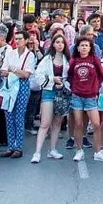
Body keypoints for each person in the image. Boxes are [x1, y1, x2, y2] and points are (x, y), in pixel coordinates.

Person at [32, 31, 70, 161]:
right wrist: (53, 79)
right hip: (48, 92)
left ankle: (52, 149)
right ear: (53, 44)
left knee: (57, 123)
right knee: (45, 123)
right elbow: (38, 75)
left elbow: (70, 77)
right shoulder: (47, 59)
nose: (60, 45)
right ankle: (37, 152)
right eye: (57, 42)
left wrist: (64, 84)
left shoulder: (67, 60)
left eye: (62, 43)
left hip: (62, 93)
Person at [0, 30, 33, 159]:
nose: (17, 41)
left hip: (22, 86)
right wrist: (15, 71)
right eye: (16, 39)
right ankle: (11, 146)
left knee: (19, 115)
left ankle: (18, 147)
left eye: (20, 39)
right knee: (9, 115)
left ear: (26, 40)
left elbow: (26, 74)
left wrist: (13, 70)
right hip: (10, 85)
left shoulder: (30, 55)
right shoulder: (10, 53)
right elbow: (3, 71)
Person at [66, 35, 102, 161]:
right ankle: (79, 150)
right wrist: (73, 88)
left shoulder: (95, 59)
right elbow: (69, 75)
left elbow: (101, 74)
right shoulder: (74, 60)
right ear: (78, 47)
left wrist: (96, 88)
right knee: (78, 124)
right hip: (77, 96)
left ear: (90, 47)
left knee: (96, 124)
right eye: (82, 45)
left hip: (91, 96)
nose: (84, 47)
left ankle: (98, 151)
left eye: (87, 45)